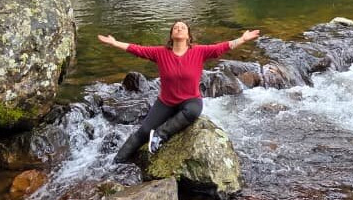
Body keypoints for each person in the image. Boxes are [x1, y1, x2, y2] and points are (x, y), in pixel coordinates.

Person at [98, 21, 260, 163]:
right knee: (144, 131)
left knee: (193, 111)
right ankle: (117, 162)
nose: (179, 29)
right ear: (171, 35)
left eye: (182, 27)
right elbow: (137, 49)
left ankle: (161, 135)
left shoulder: (199, 51)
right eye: (176, 27)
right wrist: (114, 43)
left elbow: (221, 48)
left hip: (190, 100)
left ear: (188, 35)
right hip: (166, 102)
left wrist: (243, 39)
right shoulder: (160, 53)